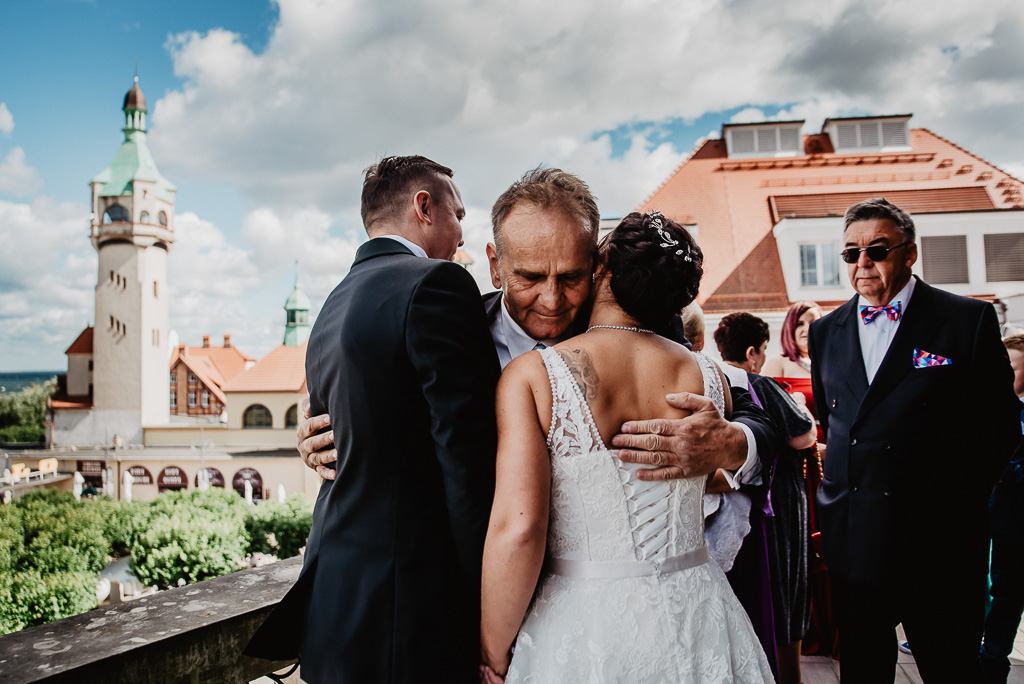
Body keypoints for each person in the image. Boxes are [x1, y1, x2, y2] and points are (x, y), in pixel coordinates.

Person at [296, 167, 778, 510]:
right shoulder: (444, 330)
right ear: (495, 265)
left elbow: (758, 410)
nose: (551, 300)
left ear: (597, 266)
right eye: (529, 277)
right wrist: (325, 435)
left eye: (571, 277)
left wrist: (734, 444)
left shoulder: (641, 326)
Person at [480, 211, 773, 683]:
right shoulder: (710, 377)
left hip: (586, 623)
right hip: (701, 612)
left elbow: (520, 530)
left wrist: (493, 651)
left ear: (602, 269)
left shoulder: (535, 377)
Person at [244, 156, 501, 683]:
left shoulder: (331, 305)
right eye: (458, 215)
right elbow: (467, 462)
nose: (461, 235)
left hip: (334, 598)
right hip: (409, 609)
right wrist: (491, 599)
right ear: (424, 207)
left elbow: (343, 438)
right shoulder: (439, 284)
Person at [807, 197, 1022, 683]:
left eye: (877, 250)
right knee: (863, 671)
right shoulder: (824, 332)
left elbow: (1001, 424)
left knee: (951, 669)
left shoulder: (966, 319)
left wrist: (959, 499)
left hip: (941, 542)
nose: (863, 262)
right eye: (851, 253)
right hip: (856, 540)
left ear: (910, 253)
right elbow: (835, 423)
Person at [716, 312, 816, 684]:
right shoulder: (760, 385)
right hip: (777, 507)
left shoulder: (713, 380)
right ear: (752, 352)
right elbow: (802, 437)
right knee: (784, 591)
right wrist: (800, 405)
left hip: (730, 510)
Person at [980, 334, 1024, 683]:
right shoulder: (989, 408)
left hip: (1015, 514)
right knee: (1004, 592)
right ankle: (992, 658)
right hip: (1000, 517)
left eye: (1012, 367)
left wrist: (996, 468)